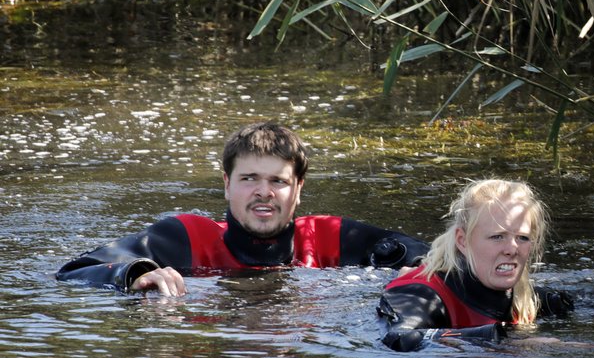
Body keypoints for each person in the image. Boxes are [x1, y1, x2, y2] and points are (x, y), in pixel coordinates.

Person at [56, 122, 429, 296]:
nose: (263, 193)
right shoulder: (184, 238)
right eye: (249, 179)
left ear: (298, 188)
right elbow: (73, 272)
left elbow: (438, 258)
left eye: (278, 181)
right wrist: (134, 273)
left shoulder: (331, 238)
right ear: (226, 184)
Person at [377, 178, 573, 351]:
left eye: (522, 238)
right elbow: (397, 338)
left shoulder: (531, 299)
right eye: (497, 236)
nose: (512, 249)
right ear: (462, 241)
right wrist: (505, 341)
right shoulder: (419, 294)